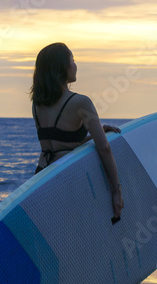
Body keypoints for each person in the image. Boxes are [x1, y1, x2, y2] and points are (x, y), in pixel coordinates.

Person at [29, 42, 123, 221]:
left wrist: (98, 132)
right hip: (68, 177)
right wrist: (116, 189)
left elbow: (61, 144)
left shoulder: (37, 104)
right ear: (62, 67)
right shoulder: (81, 102)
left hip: (41, 176)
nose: (75, 65)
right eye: (72, 59)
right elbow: (105, 149)